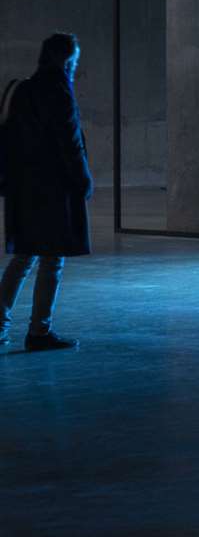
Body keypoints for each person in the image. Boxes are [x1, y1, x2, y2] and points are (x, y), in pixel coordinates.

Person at [1, 32, 91, 350]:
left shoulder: (23, 89)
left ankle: (1, 327)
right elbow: (70, 143)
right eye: (75, 60)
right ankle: (39, 331)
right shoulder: (58, 92)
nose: (75, 67)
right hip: (52, 191)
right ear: (67, 60)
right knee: (52, 258)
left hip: (23, 188)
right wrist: (83, 180)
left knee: (24, 257)